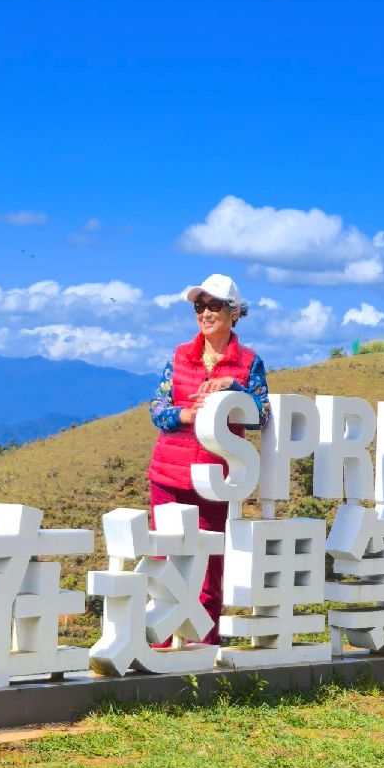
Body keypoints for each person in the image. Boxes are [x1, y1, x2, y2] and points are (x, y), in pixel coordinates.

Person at [147, 273, 270, 645]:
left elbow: (261, 414)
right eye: (199, 307)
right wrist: (185, 415)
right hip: (168, 477)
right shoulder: (179, 356)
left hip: (215, 482)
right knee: (162, 565)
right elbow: (157, 408)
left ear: (234, 312)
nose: (205, 313)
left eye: (214, 305)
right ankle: (159, 650)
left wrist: (234, 387)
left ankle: (204, 652)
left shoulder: (248, 362)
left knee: (208, 571)